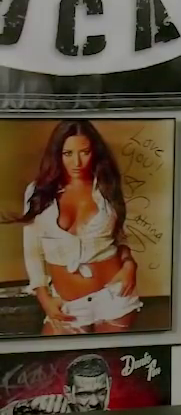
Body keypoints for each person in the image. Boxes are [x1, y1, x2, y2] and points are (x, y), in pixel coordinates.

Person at [8, 120, 141, 335]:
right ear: (57, 154)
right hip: (67, 303)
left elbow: (119, 236)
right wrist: (44, 299)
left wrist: (129, 265)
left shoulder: (107, 187)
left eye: (85, 152)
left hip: (114, 296)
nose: (77, 162)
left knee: (109, 357)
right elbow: (32, 251)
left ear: (95, 152)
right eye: (67, 153)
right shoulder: (38, 192)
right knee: (53, 356)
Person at [0, 353, 114, 415]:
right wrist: (29, 405)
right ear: (68, 393)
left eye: (101, 392)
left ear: (109, 384)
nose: (94, 402)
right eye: (84, 394)